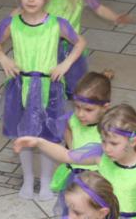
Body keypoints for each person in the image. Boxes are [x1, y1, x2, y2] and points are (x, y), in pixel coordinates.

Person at [0, 0, 87, 200]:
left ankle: (46, 181)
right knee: (22, 134)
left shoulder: (57, 24)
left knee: (46, 135)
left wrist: (66, 64)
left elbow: (80, 42)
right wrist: (2, 57)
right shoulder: (11, 23)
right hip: (19, 86)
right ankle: (28, 179)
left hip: (48, 87)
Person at [40, 0, 134, 97]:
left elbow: (98, 8)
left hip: (71, 46)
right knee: (46, 84)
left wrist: (115, 17)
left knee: (76, 86)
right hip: (44, 45)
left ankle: (100, 80)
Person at [46, 70, 114, 200]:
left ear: (105, 107)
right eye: (77, 107)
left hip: (97, 181)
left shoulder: (108, 129)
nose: (80, 114)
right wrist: (72, 148)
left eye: (88, 109)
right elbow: (67, 128)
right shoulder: (73, 120)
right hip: (75, 176)